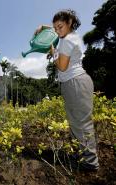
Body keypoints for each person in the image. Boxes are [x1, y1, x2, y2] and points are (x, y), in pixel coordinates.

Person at [35, 9, 99, 172]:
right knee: (76, 123)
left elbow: (62, 66)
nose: (56, 31)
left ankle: (90, 163)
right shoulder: (67, 36)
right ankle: (81, 155)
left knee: (82, 123)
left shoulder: (68, 40)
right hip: (72, 83)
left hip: (75, 82)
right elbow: (55, 29)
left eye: (60, 27)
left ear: (70, 23)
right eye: (55, 28)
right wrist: (44, 27)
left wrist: (53, 52)